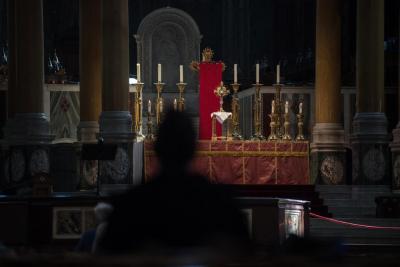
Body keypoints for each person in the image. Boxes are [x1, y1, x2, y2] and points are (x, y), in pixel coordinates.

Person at [96, 110, 251, 259]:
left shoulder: (130, 205)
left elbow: (106, 254)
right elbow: (244, 252)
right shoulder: (220, 204)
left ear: (156, 148)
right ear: (193, 149)